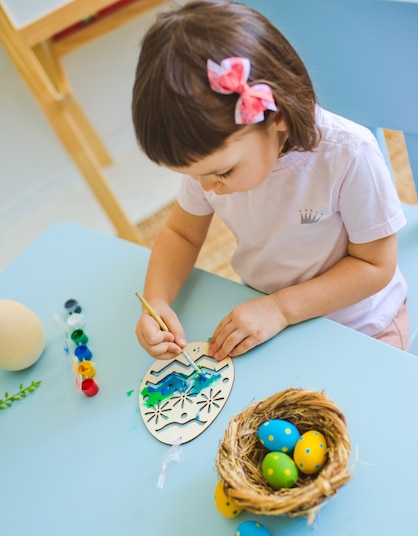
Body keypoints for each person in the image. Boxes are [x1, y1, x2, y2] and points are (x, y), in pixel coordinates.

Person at [131, 0, 409, 361]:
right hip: (268, 316)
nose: (208, 188)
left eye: (222, 173)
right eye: (194, 175)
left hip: (361, 325)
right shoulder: (213, 164)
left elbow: (375, 267)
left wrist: (282, 309)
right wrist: (156, 300)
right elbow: (182, 234)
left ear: (276, 118)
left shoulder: (347, 154)